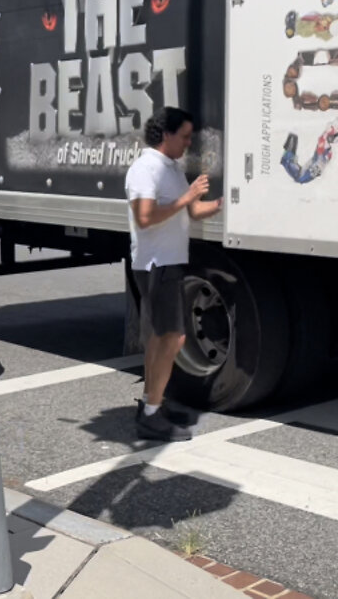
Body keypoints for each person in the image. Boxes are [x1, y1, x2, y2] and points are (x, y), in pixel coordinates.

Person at [125, 107, 223, 441]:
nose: (187, 143)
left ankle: (152, 406)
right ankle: (151, 414)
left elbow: (194, 211)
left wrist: (223, 204)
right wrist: (187, 196)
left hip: (169, 262)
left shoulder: (172, 168)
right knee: (174, 337)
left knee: (159, 337)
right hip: (155, 264)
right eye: (183, 136)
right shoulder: (145, 169)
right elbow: (145, 218)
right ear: (165, 135)